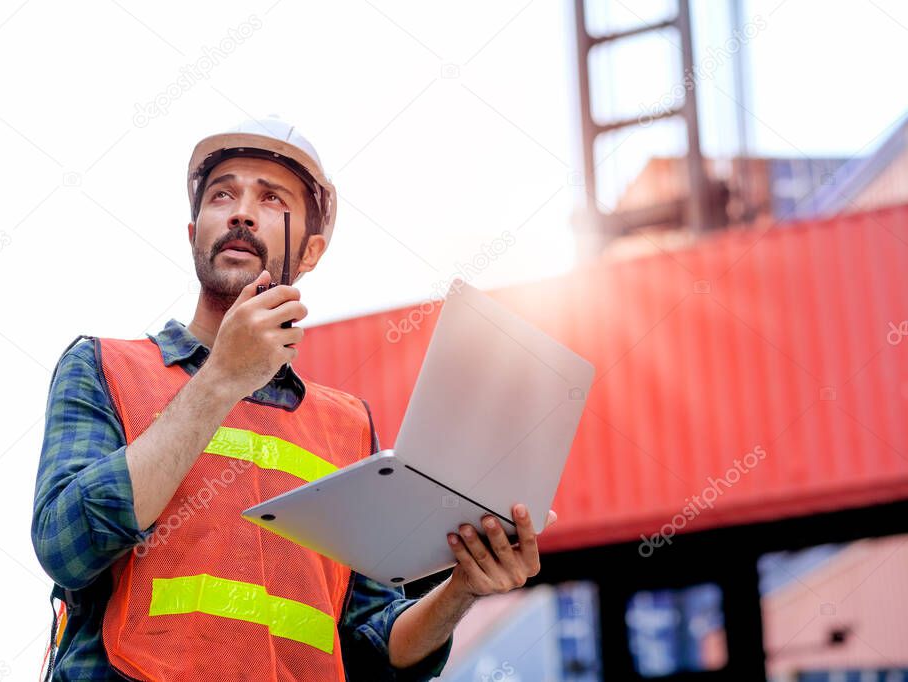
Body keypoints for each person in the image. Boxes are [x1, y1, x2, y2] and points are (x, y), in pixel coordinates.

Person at [31, 116, 556, 681]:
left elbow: (370, 649)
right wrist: (219, 379)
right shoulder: (105, 368)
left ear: (309, 252)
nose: (240, 211)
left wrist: (461, 590)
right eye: (221, 194)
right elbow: (67, 546)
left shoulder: (346, 427)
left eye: (270, 197)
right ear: (194, 234)